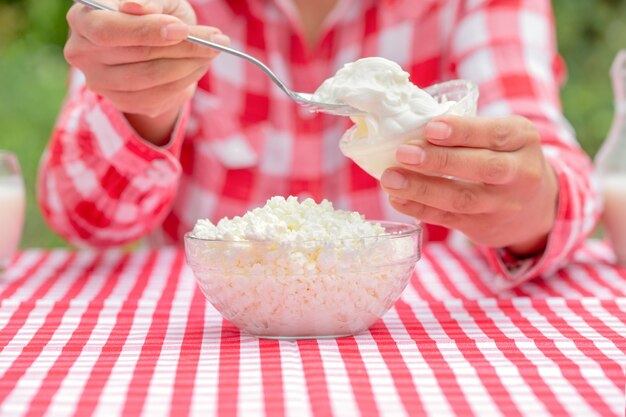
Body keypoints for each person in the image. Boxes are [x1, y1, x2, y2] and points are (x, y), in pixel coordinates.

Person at [38, 0, 600, 287]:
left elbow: (549, 163)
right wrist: (145, 105)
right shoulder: (161, 7)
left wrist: (526, 206)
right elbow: (86, 220)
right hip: (213, 346)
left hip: (414, 345)